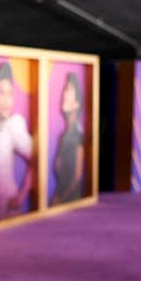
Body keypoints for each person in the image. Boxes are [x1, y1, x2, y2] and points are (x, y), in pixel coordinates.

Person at [0, 62, 33, 222]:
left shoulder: (14, 123)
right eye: (2, 93)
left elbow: (37, 158)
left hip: (9, 202)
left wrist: (22, 195)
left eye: (10, 94)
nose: (6, 100)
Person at [52, 72, 85, 204]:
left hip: (71, 198)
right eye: (65, 89)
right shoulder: (64, 136)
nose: (64, 93)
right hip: (62, 194)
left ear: (77, 104)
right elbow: (58, 167)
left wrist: (61, 199)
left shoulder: (78, 134)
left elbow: (77, 175)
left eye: (69, 89)